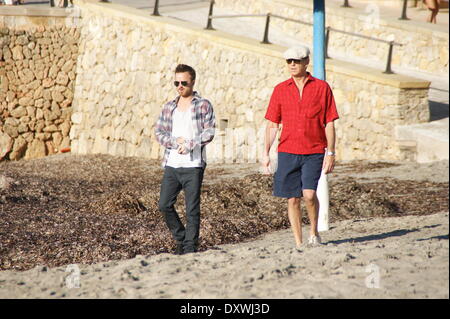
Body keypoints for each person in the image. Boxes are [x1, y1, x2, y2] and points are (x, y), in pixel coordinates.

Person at [262, 45, 339, 250]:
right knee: (292, 199)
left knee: (309, 195)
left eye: (297, 61)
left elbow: (329, 122)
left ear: (306, 62)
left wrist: (330, 152)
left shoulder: (322, 88)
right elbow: (272, 124)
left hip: (314, 150)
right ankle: (298, 242)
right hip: (287, 150)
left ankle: (314, 232)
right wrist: (266, 153)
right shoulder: (280, 90)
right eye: (289, 61)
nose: (293, 64)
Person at [155, 64, 215, 255]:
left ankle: (189, 247)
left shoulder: (203, 104)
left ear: (193, 82)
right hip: (172, 164)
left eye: (184, 82)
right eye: (176, 82)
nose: (180, 86)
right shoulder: (169, 107)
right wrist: (174, 142)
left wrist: (190, 144)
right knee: (164, 204)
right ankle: (181, 238)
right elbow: (159, 132)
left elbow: (209, 131)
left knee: (192, 209)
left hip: (193, 164)